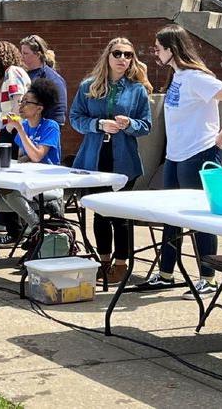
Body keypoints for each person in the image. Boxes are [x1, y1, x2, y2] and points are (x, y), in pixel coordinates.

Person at [140, 24, 222, 298]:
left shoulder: (196, 77)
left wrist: (221, 138)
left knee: (200, 218)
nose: (155, 52)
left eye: (158, 48)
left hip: (199, 153)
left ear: (171, 49)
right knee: (172, 216)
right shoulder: (176, 76)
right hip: (176, 156)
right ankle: (166, 273)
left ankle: (208, 278)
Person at [70, 37, 152, 284]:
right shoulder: (89, 86)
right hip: (94, 159)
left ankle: (121, 263)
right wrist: (98, 124)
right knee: (100, 213)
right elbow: (75, 118)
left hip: (124, 161)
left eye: (128, 55)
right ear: (108, 55)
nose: (123, 59)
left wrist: (130, 124)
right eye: (118, 54)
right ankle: (103, 261)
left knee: (120, 215)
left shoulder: (136, 89)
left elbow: (146, 125)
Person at [0, 79, 63, 247]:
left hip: (49, 184)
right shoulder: (25, 125)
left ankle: (37, 229)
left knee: (10, 193)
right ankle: (32, 230)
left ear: (39, 108)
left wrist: (21, 130)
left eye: (26, 102)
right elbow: (24, 157)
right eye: (21, 101)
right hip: (30, 181)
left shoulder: (50, 126)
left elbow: (37, 156)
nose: (21, 105)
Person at [0, 41, 31, 233]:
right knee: (8, 180)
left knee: (6, 181)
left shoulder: (12, 73)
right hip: (13, 129)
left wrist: (11, 127)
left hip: (12, 130)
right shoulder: (18, 72)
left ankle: (14, 228)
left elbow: (18, 100)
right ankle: (14, 225)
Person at [19, 34, 68, 126]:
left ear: (37, 54)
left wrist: (47, 130)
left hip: (42, 130)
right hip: (23, 127)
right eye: (21, 53)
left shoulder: (52, 78)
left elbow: (59, 111)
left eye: (25, 53)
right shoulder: (22, 74)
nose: (21, 57)